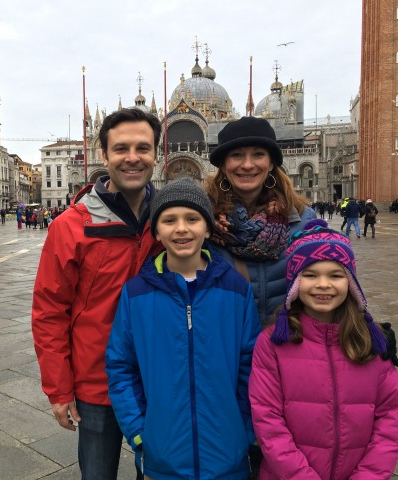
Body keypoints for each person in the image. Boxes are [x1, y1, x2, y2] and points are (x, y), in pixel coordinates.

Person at [32, 108, 162, 480]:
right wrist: (59, 389)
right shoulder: (71, 226)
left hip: (159, 377)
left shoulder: (173, 221)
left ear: (157, 154)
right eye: (121, 148)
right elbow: (49, 311)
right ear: (103, 156)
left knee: (159, 472)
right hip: (95, 383)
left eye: (143, 147)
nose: (132, 157)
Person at [106, 178, 261, 479]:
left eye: (192, 218)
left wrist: (243, 429)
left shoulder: (235, 289)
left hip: (227, 457)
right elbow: (121, 367)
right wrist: (140, 432)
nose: (181, 229)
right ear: (157, 231)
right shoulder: (137, 293)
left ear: (207, 227)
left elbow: (252, 365)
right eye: (169, 220)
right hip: (162, 457)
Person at [249, 219, 398, 479]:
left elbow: (392, 413)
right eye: (309, 275)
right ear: (294, 284)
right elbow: (267, 420)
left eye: (336, 275)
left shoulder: (371, 339)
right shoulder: (273, 344)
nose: (323, 284)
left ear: (351, 284)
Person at [205, 116, 316, 326]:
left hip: (287, 343)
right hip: (229, 344)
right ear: (223, 164)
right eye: (236, 155)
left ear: (271, 162)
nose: (247, 165)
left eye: (258, 154)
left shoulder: (302, 219)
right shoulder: (204, 221)